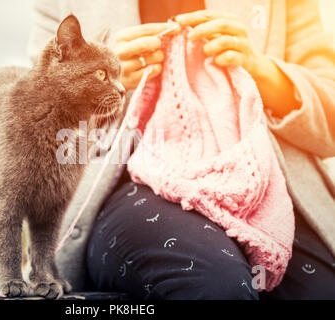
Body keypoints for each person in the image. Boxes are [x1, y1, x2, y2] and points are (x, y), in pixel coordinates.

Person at [28, 0, 335, 299]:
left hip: (267, 184)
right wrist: (98, 81)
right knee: (216, 285)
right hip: (129, 186)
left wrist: (260, 70)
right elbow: (33, 129)